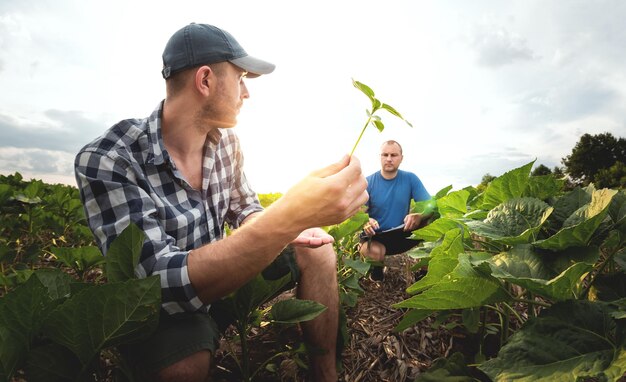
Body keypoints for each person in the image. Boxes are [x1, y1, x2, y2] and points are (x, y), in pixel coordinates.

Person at [74, 23, 368, 382]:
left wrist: (292, 225)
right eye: (241, 78)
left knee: (318, 247)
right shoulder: (109, 158)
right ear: (205, 80)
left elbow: (246, 210)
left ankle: (327, 375)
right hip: (165, 310)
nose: (247, 93)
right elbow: (154, 287)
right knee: (183, 367)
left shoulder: (227, 143)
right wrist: (288, 215)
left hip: (225, 278)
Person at [359, 140, 431, 281]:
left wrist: (420, 216)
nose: (389, 159)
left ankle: (423, 275)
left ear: (401, 158)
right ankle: (377, 271)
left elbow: (431, 206)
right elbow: (359, 212)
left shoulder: (410, 178)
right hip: (376, 236)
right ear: (380, 157)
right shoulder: (368, 182)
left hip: (402, 233)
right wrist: (366, 220)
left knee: (432, 224)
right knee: (375, 253)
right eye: (385, 155)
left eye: (394, 155)